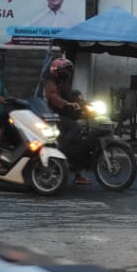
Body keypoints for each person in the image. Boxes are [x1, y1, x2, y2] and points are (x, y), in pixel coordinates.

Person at [44, 57, 90, 185]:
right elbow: (54, 98)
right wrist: (68, 104)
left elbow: (74, 97)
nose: (67, 73)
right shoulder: (50, 83)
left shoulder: (66, 84)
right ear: (55, 71)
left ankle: (78, 174)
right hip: (53, 116)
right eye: (64, 70)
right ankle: (60, 152)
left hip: (65, 115)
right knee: (75, 128)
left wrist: (85, 104)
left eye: (69, 70)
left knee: (79, 143)